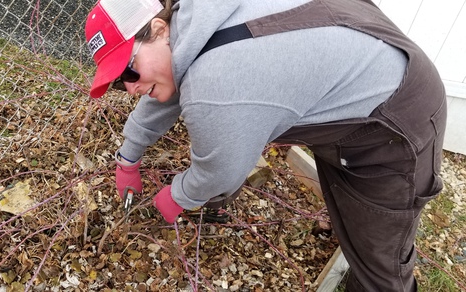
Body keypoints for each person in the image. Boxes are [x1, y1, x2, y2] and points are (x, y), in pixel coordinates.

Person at [84, 0, 447, 290]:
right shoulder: (194, 17)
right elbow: (163, 86)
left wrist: (174, 197)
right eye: (119, 82)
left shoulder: (216, 86)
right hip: (356, 64)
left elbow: (219, 171)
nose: (130, 88)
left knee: (378, 257)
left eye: (129, 71)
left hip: (395, 120)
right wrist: (128, 157)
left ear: (159, 28)